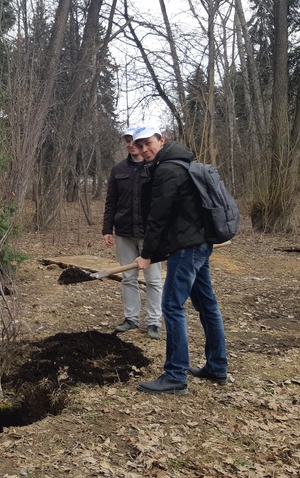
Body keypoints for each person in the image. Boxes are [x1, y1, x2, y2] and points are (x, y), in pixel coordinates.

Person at [130, 125, 228, 396]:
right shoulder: (184, 163)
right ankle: (217, 367)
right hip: (199, 244)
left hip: (187, 249)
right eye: (139, 145)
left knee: (172, 306)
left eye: (148, 143)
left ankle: (175, 375)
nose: (144, 149)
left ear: (162, 140)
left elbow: (158, 217)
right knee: (207, 305)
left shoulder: (167, 170)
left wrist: (147, 254)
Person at [102, 127, 164, 339]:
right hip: (124, 232)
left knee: (153, 280)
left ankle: (154, 322)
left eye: (134, 141)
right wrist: (106, 229)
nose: (131, 144)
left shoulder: (155, 167)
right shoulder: (118, 169)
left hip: (150, 234)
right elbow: (111, 201)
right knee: (128, 277)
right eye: (127, 140)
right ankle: (131, 318)